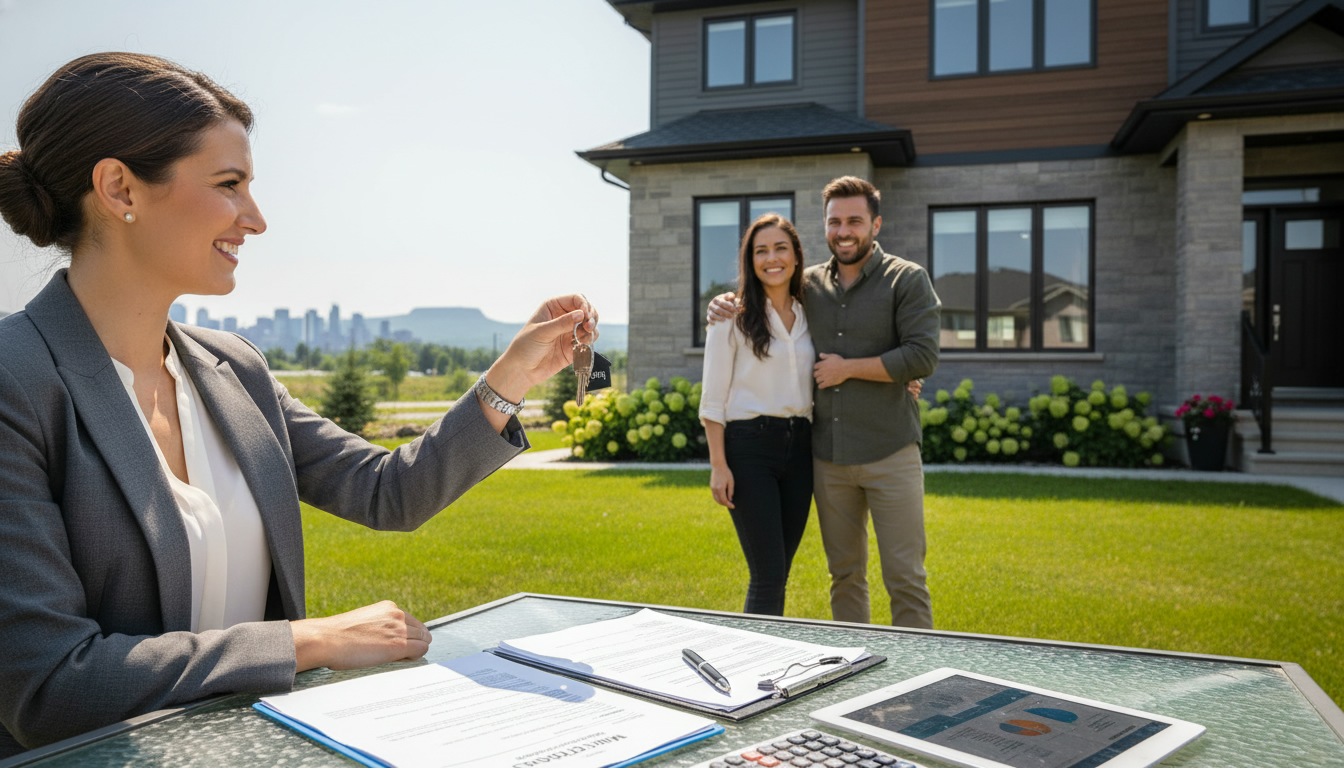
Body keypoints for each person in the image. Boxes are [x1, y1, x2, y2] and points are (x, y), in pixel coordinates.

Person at [0, 52, 597, 758]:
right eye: (229, 185)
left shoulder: (235, 369)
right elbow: (47, 687)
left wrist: (510, 376)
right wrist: (307, 640)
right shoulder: (18, 381)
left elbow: (388, 492)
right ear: (119, 187)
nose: (255, 219)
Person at [708, 176, 939, 628]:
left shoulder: (906, 278)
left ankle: (922, 683)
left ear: (876, 223)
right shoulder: (807, 285)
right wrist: (719, 304)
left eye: (855, 220)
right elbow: (757, 304)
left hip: (890, 448)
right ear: (825, 227)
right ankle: (855, 672)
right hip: (827, 458)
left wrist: (853, 369)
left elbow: (923, 354)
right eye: (835, 222)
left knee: (905, 577)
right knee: (845, 576)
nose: (844, 230)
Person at [699, 214, 815, 616]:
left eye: (781, 248)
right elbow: (712, 399)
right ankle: (757, 665)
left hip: (801, 451)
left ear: (797, 256)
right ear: (750, 261)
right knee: (766, 575)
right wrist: (719, 465)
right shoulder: (730, 315)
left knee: (779, 573)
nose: (771, 258)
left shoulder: (810, 315)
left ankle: (768, 655)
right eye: (760, 251)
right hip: (750, 450)